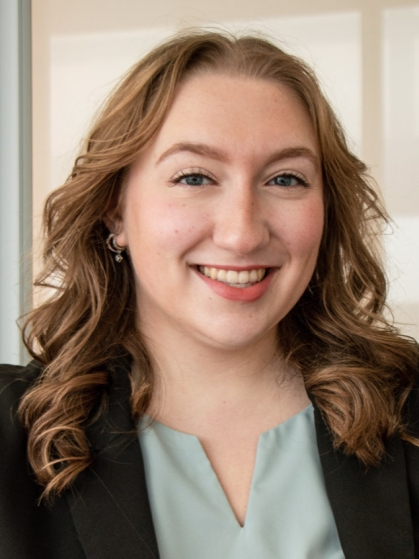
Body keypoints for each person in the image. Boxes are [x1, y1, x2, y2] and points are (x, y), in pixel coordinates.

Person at [1, 29, 418, 559]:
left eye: (286, 180)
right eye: (195, 177)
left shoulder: (410, 416)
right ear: (114, 209)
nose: (242, 233)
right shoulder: (10, 437)